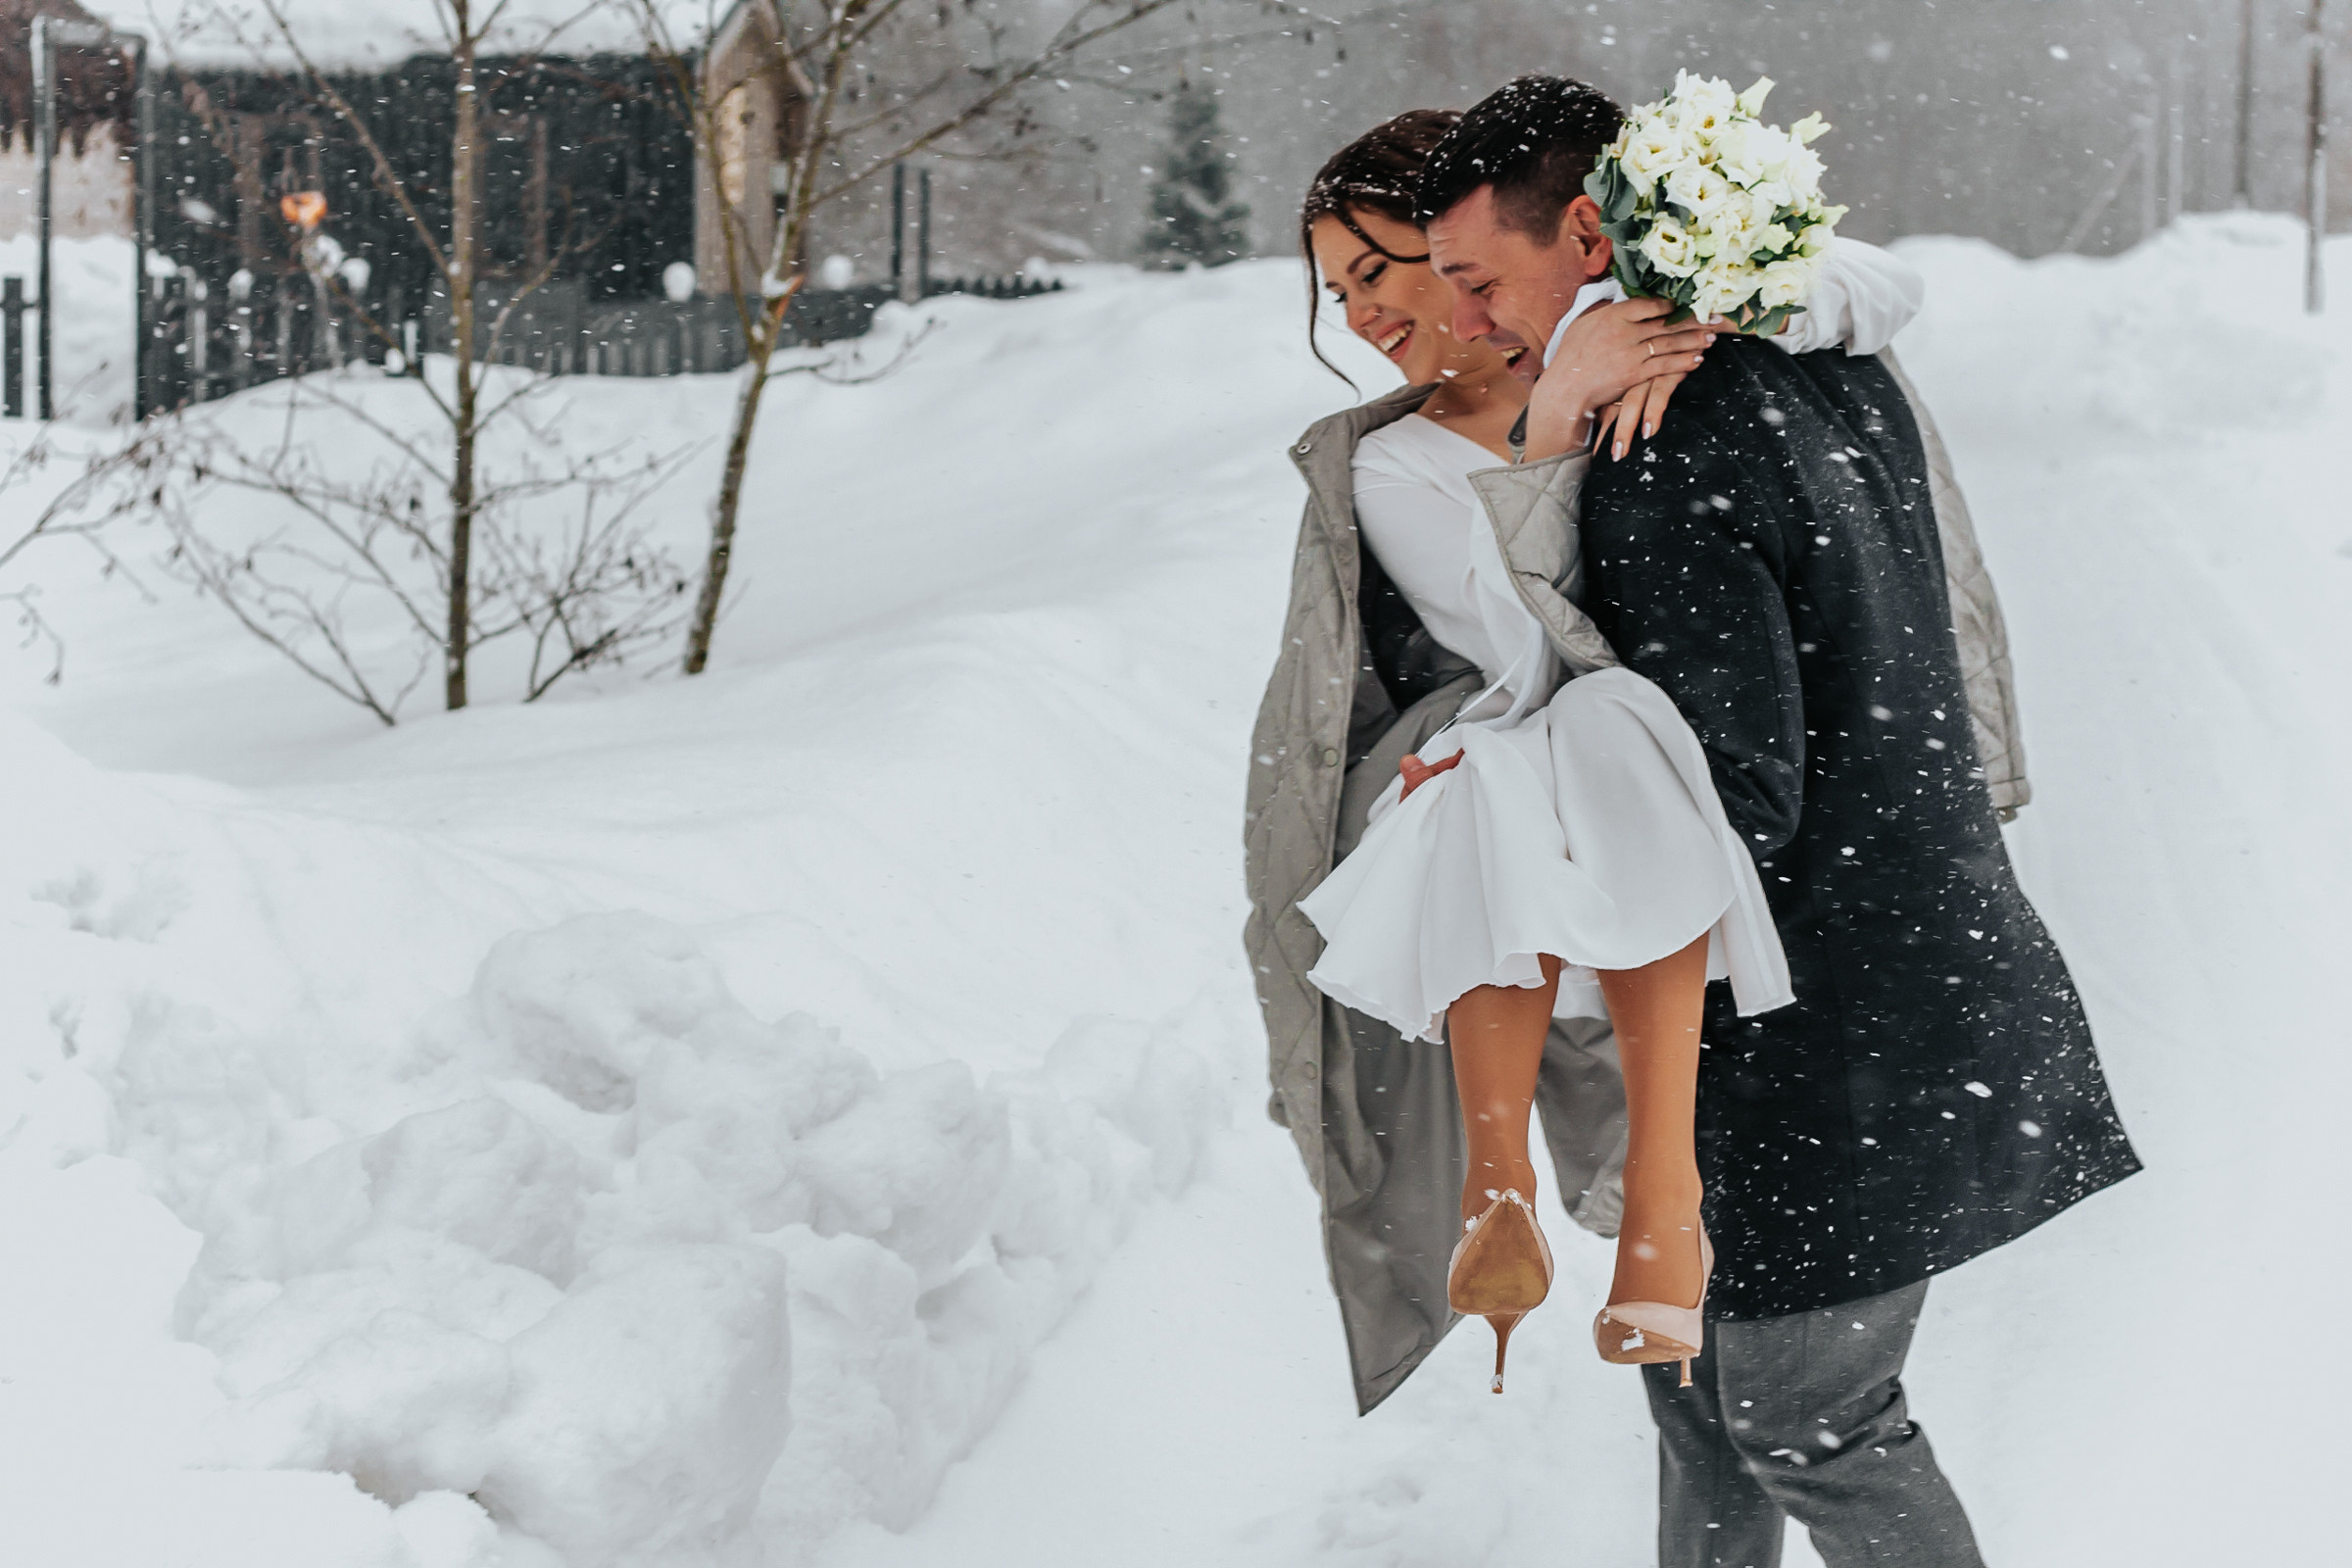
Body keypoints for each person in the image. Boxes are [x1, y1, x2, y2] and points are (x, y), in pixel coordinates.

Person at [1406, 74, 2140, 1567]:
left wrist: (1485, 808)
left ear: (1593, 235)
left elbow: (1723, 799)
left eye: (1481, 280)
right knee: (1692, 1381)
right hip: (1863, 990)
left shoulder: (1666, 442)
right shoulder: (1808, 361)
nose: (1468, 322)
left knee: (1810, 1413)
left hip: (1836, 1025)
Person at [1244, 107, 2011, 1416]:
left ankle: (1652, 1210)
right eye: (1338, 296)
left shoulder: (1653, 340)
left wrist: (1727, 301)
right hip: (1571, 836)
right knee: (1566, 743)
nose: (1366, 318)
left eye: (1381, 273)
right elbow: (1532, 654)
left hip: (1722, 837)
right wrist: (1555, 413)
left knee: (1734, 1381)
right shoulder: (1394, 464)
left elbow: (1881, 282)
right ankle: (1528, 1184)